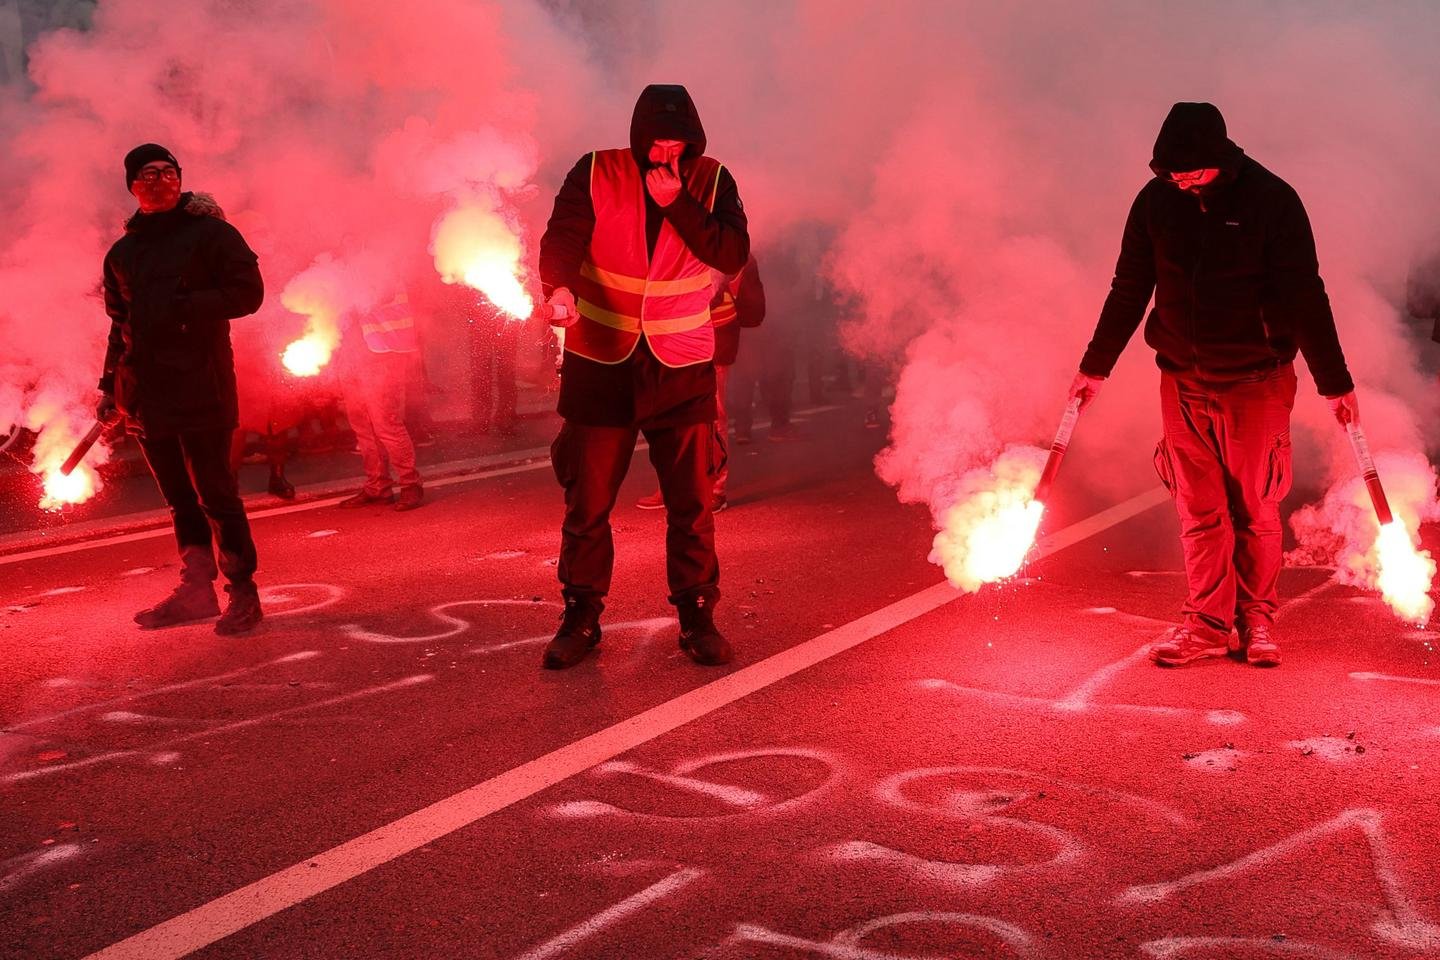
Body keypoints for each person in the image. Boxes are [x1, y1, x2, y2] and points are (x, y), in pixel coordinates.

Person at [1070, 102, 1359, 669]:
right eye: (1170, 173)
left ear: (1220, 159)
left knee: (1254, 508)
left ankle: (1257, 621)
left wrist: (1336, 382)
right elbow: (1129, 288)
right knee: (1199, 508)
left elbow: (1306, 295)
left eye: (1191, 172)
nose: (1180, 182)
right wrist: (1094, 367)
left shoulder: (1272, 200)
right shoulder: (1156, 202)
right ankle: (1204, 624)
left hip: (1256, 380)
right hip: (1181, 380)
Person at [537, 84, 750, 670]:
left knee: (692, 505)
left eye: (677, 143)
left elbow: (731, 252)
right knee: (587, 503)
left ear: (694, 141)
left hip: (681, 364)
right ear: (636, 136)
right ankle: (580, 616)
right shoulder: (596, 169)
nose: (665, 153)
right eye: (655, 142)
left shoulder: (711, 179)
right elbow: (563, 234)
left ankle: (697, 615)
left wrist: (677, 202)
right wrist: (556, 287)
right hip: (600, 359)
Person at [97, 143, 266, 635]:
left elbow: (247, 294)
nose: (158, 181)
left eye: (167, 172)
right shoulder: (122, 253)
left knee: (217, 494)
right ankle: (196, 590)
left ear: (180, 179)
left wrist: (186, 306)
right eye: (147, 174)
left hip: (202, 388)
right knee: (179, 500)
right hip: (146, 397)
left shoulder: (212, 235)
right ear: (132, 186)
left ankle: (243, 592)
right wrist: (109, 386)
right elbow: (118, 326)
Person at [637, 253, 765, 512]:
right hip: (670, 333)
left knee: (711, 415)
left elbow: (721, 280)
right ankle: (671, 484)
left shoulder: (718, 231)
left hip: (713, 334)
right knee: (667, 413)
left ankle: (715, 488)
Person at [336, 292, 425, 511]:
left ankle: (410, 484)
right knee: (362, 426)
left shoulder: (381, 259)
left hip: (382, 350)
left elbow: (379, 292)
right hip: (351, 352)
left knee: (385, 422)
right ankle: (377, 487)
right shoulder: (342, 261)